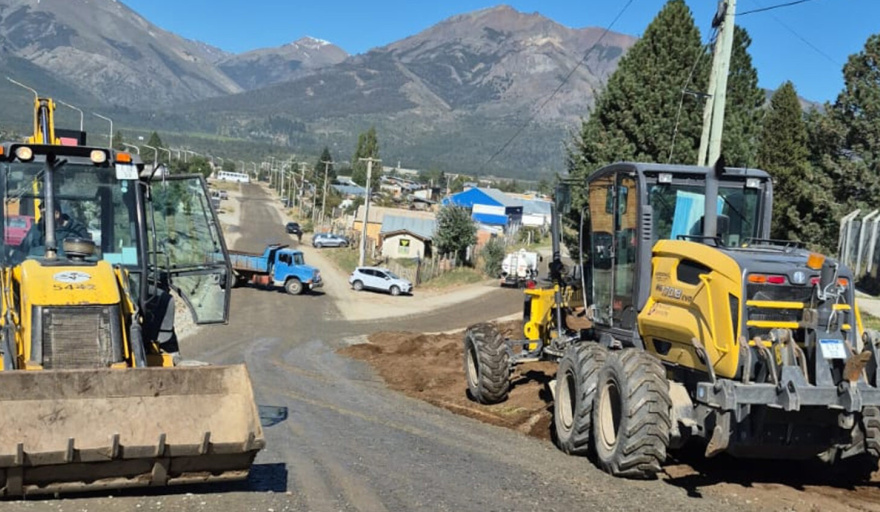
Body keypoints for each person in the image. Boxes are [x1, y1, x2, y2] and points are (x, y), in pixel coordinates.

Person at [19, 202, 91, 256]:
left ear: (57, 214)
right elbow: (22, 252)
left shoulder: (77, 230)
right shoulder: (36, 230)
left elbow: (86, 253)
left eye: (44, 214)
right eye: (41, 214)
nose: (43, 217)